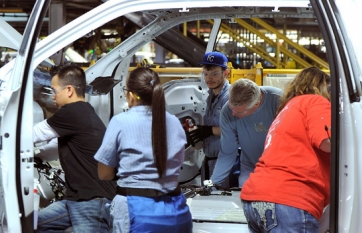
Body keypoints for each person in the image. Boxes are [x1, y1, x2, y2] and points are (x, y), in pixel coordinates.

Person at [94, 67, 192, 233]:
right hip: (176, 212)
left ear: (131, 95)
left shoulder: (120, 122)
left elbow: (104, 173)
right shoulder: (174, 122)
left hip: (136, 213)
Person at [240, 67, 331, 232]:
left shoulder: (288, 108)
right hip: (288, 200)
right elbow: (328, 141)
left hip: (255, 198)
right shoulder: (315, 101)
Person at [33, 63, 116, 232]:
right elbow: (53, 149)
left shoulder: (73, 112)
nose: (53, 97)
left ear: (69, 90)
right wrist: (35, 157)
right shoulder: (83, 113)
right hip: (76, 199)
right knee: (33, 225)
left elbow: (29, 135)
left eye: (54, 91)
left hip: (92, 199)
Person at [209, 78, 282, 188]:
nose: (233, 114)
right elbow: (227, 153)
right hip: (251, 167)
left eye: (239, 111)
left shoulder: (280, 102)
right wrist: (212, 184)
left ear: (256, 104)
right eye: (231, 108)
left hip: (282, 169)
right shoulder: (227, 112)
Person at [188, 51, 231, 187]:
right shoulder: (210, 97)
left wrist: (209, 131)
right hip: (210, 161)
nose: (209, 78)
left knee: (222, 205)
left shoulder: (230, 98)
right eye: (206, 74)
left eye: (214, 73)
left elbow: (235, 130)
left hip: (224, 164)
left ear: (226, 73)